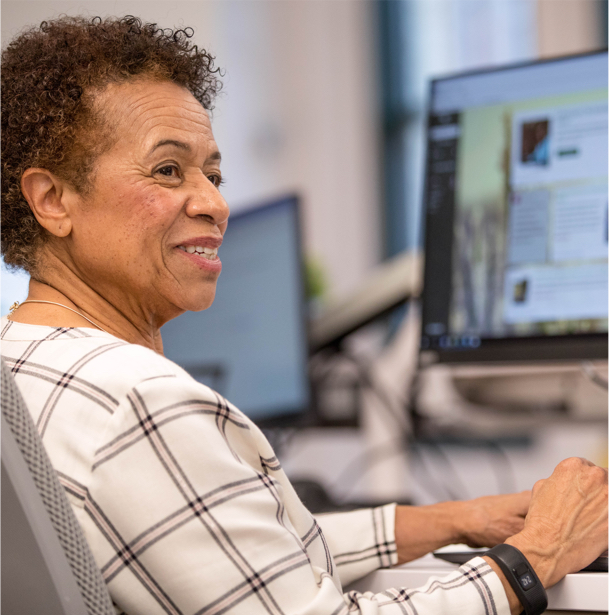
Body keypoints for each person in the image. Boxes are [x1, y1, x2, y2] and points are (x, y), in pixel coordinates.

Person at [1, 16, 606, 615]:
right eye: (168, 170)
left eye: (214, 174)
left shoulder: (21, 357)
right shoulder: (142, 401)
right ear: (53, 200)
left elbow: (235, 559)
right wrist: (536, 555)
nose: (215, 203)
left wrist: (455, 519)